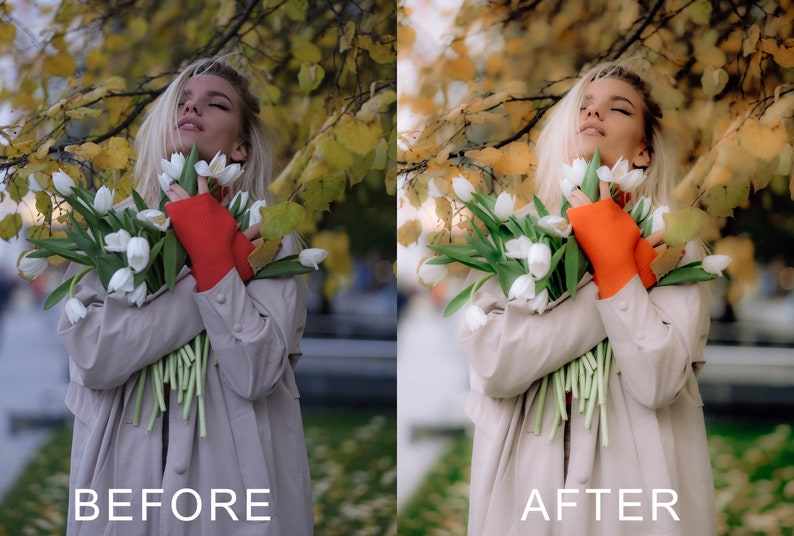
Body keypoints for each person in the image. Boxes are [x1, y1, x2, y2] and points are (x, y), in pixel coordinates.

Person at [459, 61, 717, 535]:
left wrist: (620, 265)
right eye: (585, 105)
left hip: (632, 486)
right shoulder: (516, 235)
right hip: (529, 485)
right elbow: (494, 365)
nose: (594, 113)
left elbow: (658, 381)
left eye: (619, 109)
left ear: (643, 151)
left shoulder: (671, 243)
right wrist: (622, 273)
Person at [59, 57, 313, 535]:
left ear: (240, 146)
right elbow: (95, 358)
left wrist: (218, 257)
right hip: (124, 487)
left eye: (217, 104)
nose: (192, 108)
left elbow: (255, 371)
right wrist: (217, 269)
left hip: (231, 490)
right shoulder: (112, 228)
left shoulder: (269, 237)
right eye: (183, 100)